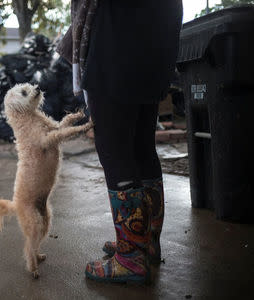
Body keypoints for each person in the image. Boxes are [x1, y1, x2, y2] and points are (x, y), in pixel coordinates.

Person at [58, 0, 183, 283]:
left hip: (119, 27)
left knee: (114, 146)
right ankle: (144, 242)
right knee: (140, 145)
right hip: (157, 26)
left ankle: (130, 258)